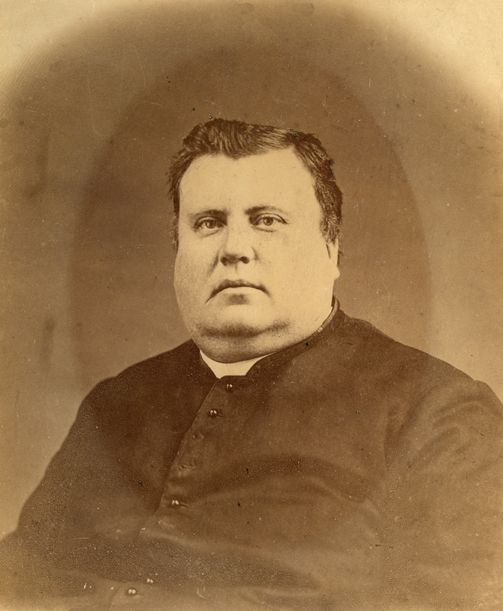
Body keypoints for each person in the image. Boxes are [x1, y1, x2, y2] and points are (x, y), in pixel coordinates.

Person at [1, 119, 501, 611]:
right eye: (209, 223)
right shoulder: (115, 402)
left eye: (267, 220)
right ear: (178, 256)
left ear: (331, 252)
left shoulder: (440, 412)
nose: (235, 250)